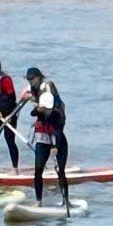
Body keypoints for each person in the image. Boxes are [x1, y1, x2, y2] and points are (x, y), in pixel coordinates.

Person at [25, 66, 71, 208]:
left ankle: (66, 201)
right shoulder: (37, 98)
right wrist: (35, 104)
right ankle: (39, 202)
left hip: (57, 140)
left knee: (61, 171)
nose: (30, 81)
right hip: (42, 139)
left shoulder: (56, 113)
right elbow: (33, 113)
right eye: (28, 79)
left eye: (32, 79)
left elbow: (59, 129)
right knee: (38, 170)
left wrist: (55, 146)